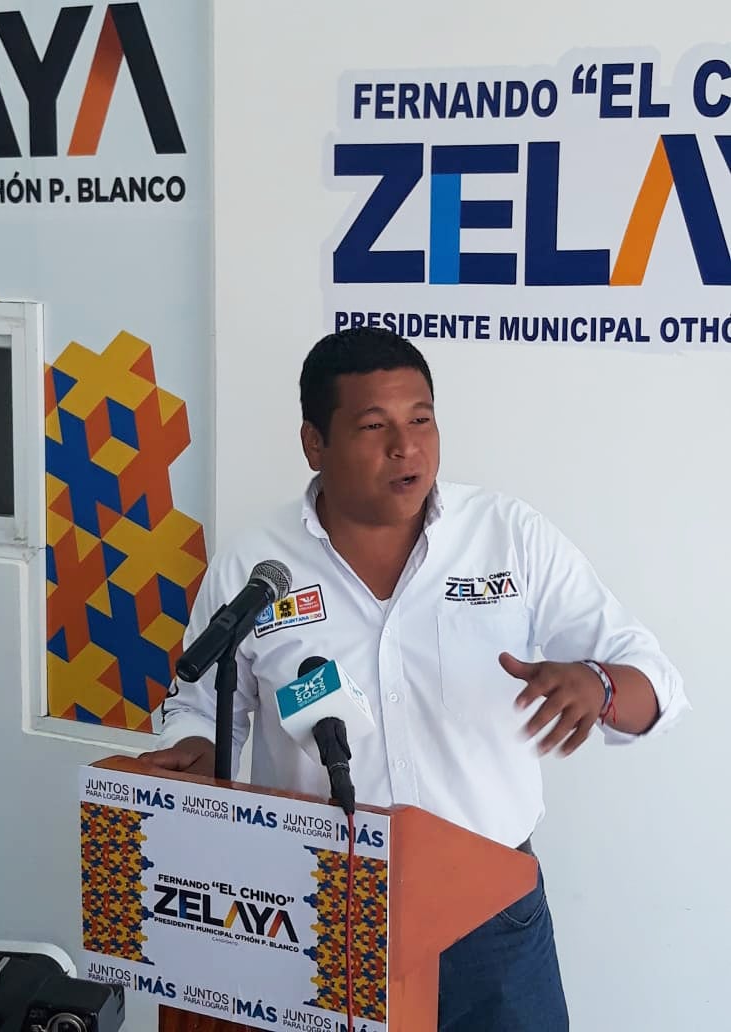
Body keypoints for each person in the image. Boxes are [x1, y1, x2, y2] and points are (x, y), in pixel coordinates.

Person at [141, 327, 688, 1031]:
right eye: (375, 427)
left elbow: (655, 681)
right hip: (317, 908)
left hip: (490, 916)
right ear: (314, 443)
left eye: (422, 419)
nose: (407, 447)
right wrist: (193, 747)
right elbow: (199, 706)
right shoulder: (256, 565)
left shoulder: (507, 535)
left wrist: (599, 686)